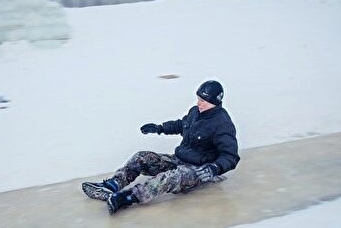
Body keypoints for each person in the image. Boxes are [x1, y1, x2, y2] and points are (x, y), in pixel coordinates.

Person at [82, 80, 240, 215]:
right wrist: (159, 128)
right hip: (179, 159)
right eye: (198, 98)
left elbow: (230, 156)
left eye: (203, 100)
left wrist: (214, 168)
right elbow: (181, 125)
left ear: (215, 102)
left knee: (170, 178)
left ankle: (127, 198)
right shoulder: (195, 112)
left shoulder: (222, 124)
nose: (199, 102)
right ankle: (114, 184)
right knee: (142, 157)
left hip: (198, 171)